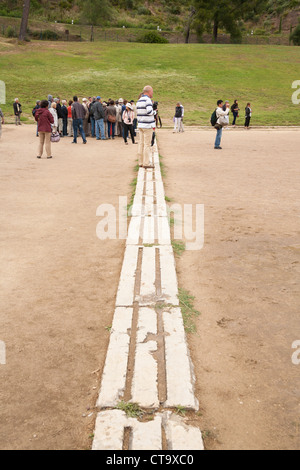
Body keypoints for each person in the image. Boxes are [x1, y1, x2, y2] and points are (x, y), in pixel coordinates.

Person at [136, 85, 156, 168]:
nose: (152, 93)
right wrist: (155, 112)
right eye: (152, 91)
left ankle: (140, 162)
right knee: (147, 145)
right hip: (147, 125)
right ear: (148, 91)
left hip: (140, 124)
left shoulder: (139, 100)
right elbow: (149, 111)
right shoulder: (148, 100)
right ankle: (146, 163)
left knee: (141, 144)